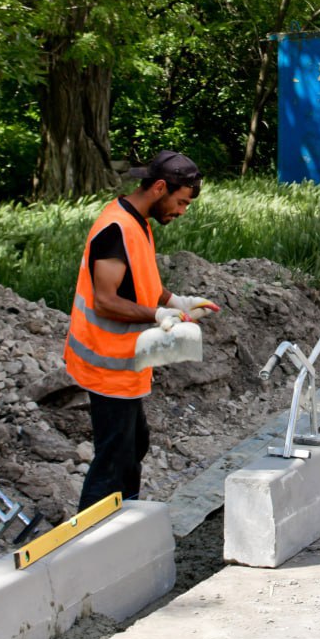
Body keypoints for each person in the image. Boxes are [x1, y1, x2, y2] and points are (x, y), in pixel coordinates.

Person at [65, 151, 220, 512]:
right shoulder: (115, 229)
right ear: (160, 187)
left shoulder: (138, 223)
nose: (182, 211)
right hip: (106, 365)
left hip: (125, 364)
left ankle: (123, 516)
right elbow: (105, 301)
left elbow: (139, 282)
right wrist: (156, 314)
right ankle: (88, 539)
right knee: (113, 457)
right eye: (180, 201)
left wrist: (177, 302)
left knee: (133, 445)